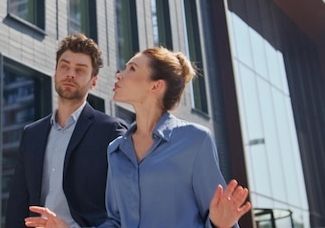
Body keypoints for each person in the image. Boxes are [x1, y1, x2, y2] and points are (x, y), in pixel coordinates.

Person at [25, 47, 252, 228]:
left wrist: (220, 224)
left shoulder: (195, 141)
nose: (119, 75)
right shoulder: (116, 150)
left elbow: (219, 216)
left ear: (156, 86)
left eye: (131, 69)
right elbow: (115, 222)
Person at [5, 33, 128, 228]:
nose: (70, 73)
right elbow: (18, 201)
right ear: (55, 73)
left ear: (93, 82)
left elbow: (123, 209)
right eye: (64, 66)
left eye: (80, 70)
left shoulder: (110, 131)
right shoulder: (32, 134)